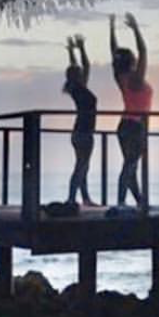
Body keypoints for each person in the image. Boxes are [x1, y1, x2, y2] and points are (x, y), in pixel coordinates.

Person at [110, 13, 151, 207]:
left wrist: (112, 29)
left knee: (130, 166)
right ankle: (120, 202)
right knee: (130, 166)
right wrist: (135, 28)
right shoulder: (135, 79)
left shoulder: (122, 78)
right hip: (134, 126)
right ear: (132, 61)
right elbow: (144, 51)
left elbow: (114, 53)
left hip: (125, 125)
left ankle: (139, 201)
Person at [63, 34, 96, 206]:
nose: (84, 73)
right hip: (84, 132)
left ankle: (84, 197)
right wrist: (81, 48)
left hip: (81, 131)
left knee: (83, 165)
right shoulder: (79, 89)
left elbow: (77, 68)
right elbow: (86, 65)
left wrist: (72, 52)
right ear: (78, 76)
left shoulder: (76, 88)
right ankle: (71, 198)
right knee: (81, 166)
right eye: (81, 73)